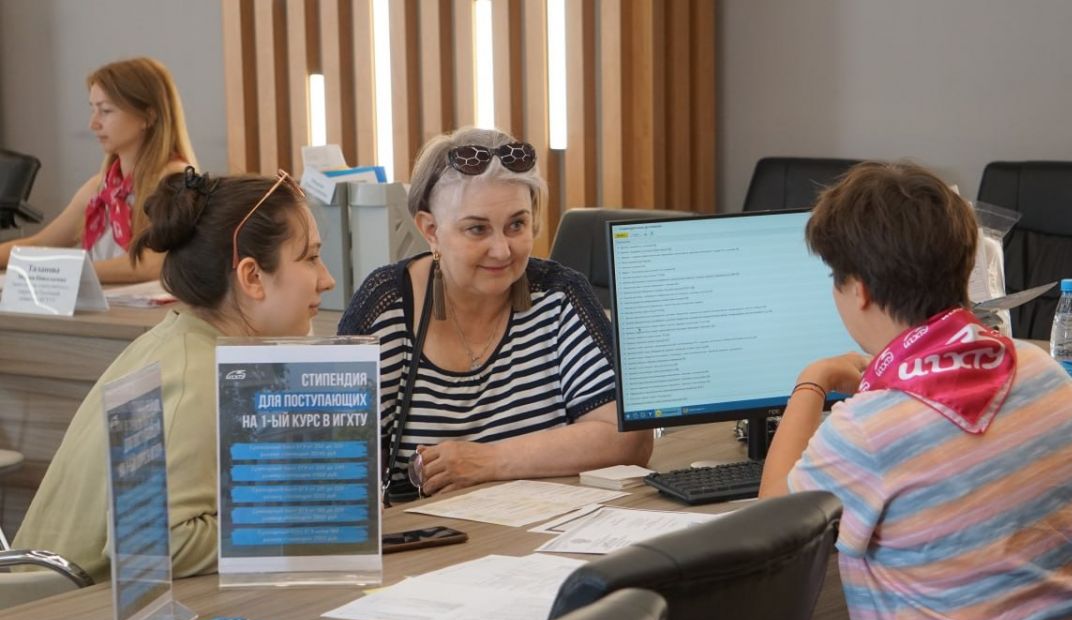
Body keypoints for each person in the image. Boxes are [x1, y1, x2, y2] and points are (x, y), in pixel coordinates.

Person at [757, 162, 1072, 620]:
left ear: (858, 289)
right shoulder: (1042, 372)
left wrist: (810, 383)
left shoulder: (870, 430)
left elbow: (774, 528)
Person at [13, 168, 335, 579]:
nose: (327, 279)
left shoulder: (183, 342)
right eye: (310, 257)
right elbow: (155, 544)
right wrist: (310, 520)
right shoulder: (198, 377)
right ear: (252, 276)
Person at [339, 127, 653, 500]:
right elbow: (333, 463)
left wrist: (487, 461)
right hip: (430, 553)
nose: (502, 250)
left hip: (547, 536)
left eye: (516, 225)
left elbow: (629, 439)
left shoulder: (558, 294)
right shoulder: (386, 307)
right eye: (477, 229)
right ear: (431, 230)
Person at [0, 57, 196, 283]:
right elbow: (40, 244)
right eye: (93, 109)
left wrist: (67, 271)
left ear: (148, 117)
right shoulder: (102, 187)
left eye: (106, 111)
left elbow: (152, 264)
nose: (93, 123)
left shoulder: (177, 179)